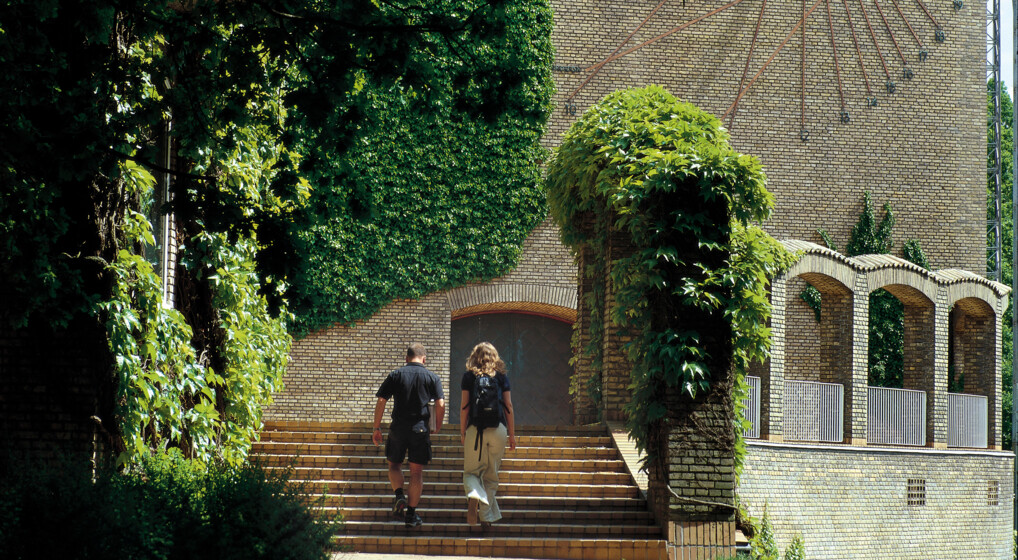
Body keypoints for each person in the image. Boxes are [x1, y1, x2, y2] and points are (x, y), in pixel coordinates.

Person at [372, 343, 445, 528]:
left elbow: (381, 400)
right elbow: (440, 403)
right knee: (416, 473)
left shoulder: (396, 375)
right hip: (420, 429)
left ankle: (399, 496)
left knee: (394, 465)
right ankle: (411, 515)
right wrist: (437, 425)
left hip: (398, 428)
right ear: (424, 359)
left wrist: (376, 427)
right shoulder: (432, 377)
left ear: (406, 358)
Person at [459, 341, 516, 528]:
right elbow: (508, 407)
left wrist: (462, 431)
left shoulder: (468, 377)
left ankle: (474, 494)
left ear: (474, 357)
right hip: (498, 428)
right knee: (491, 476)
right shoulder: (501, 377)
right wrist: (512, 435)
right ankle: (485, 515)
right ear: (495, 357)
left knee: (471, 472)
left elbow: (464, 408)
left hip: (475, 429)